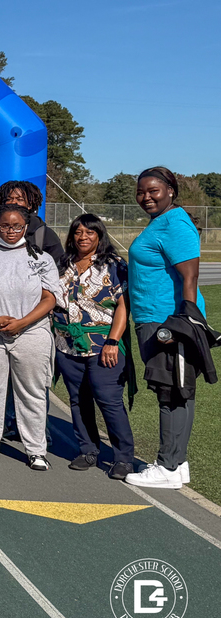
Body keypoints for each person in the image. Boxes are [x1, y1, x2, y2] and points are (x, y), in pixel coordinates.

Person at [125, 167, 205, 489]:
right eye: (141, 192)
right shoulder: (160, 223)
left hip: (167, 322)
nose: (146, 197)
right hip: (156, 319)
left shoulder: (175, 223)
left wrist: (185, 323)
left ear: (171, 190)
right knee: (178, 391)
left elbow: (191, 277)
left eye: (153, 190)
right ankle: (178, 463)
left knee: (170, 392)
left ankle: (167, 466)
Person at [0, 204, 62, 470]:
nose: (11, 231)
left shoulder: (42, 258)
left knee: (32, 392)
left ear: (25, 227)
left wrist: (22, 322)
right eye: (5, 226)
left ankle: (36, 449)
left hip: (31, 332)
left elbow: (50, 297)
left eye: (16, 226)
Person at [52, 214, 135, 480]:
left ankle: (123, 458)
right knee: (78, 400)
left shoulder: (114, 265)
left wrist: (113, 341)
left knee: (109, 400)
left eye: (90, 232)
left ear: (100, 235)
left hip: (102, 344)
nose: (83, 237)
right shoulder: (62, 264)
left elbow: (124, 305)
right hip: (67, 345)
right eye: (78, 232)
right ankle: (88, 449)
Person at [0, 181, 64, 266]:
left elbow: (59, 269)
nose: (14, 202)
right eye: (9, 199)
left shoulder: (45, 235)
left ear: (30, 205)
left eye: (20, 199)